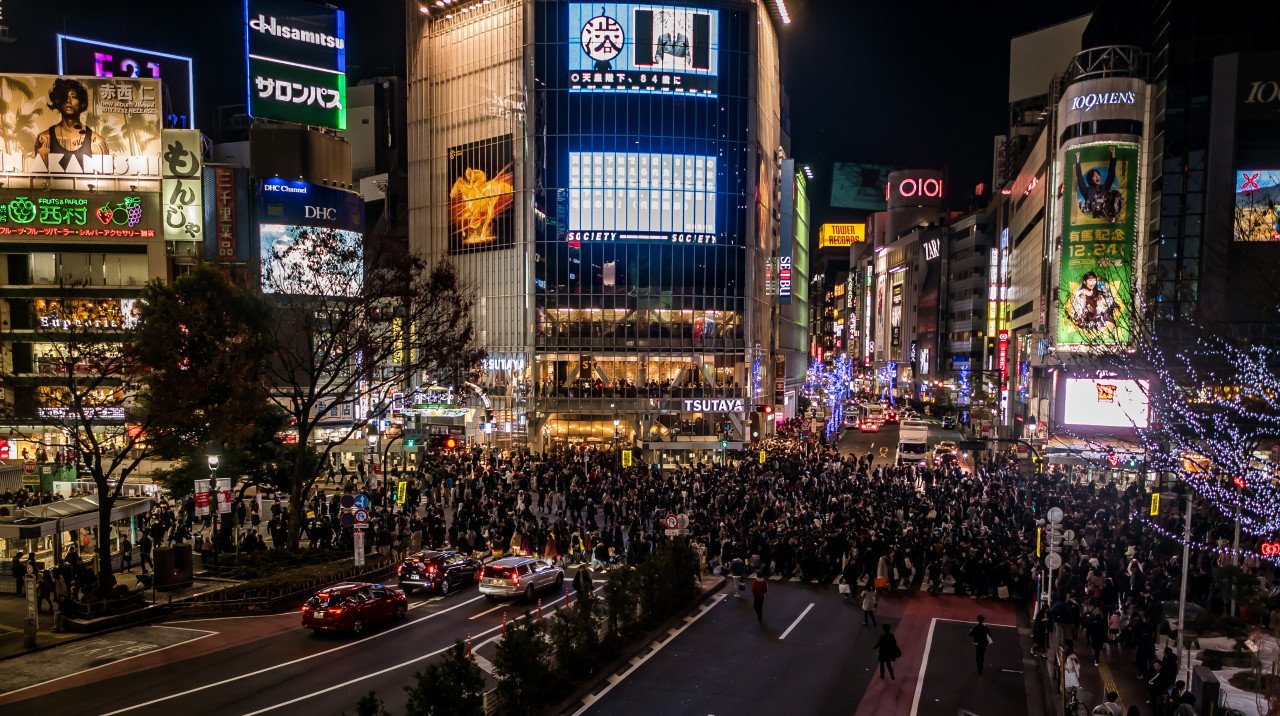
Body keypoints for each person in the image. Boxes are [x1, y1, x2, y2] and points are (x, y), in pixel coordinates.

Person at [34, 77, 111, 169]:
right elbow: (42, 179)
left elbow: (103, 178)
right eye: (64, 97)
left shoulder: (96, 141)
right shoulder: (45, 139)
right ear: (58, 101)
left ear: (82, 103)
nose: (68, 101)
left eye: (74, 97)